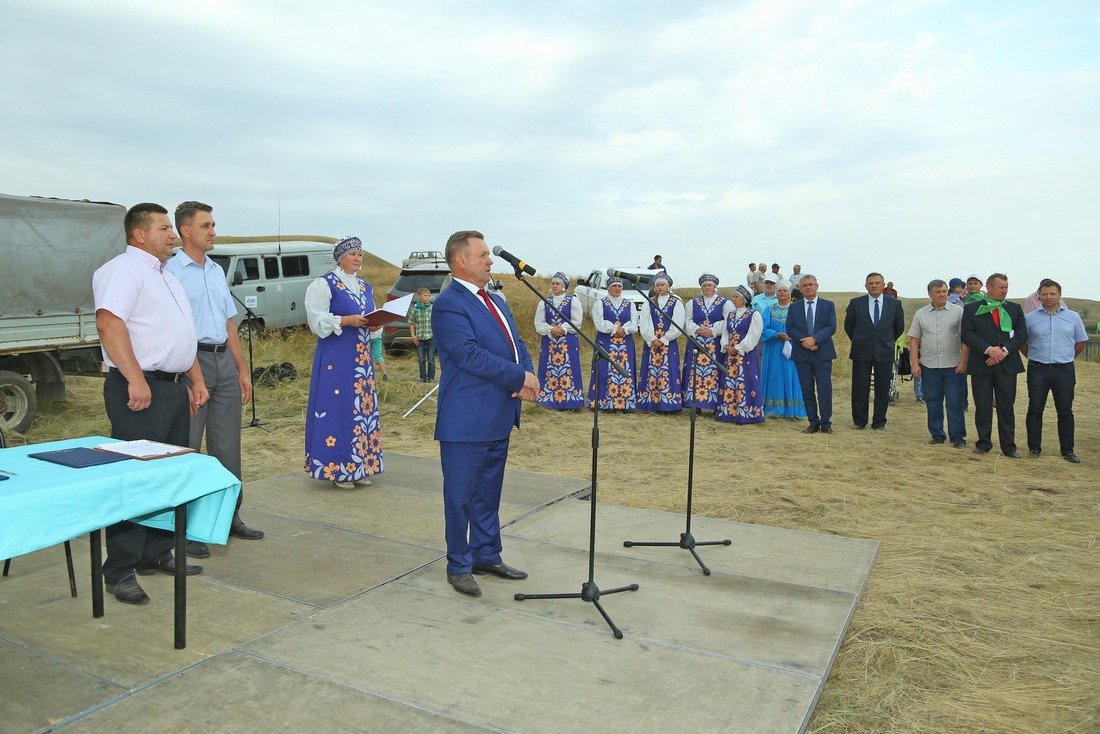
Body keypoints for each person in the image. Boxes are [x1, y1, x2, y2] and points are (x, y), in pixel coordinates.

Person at [92, 203, 207, 605]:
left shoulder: (166, 276)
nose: (172, 235)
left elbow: (181, 334)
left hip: (172, 388)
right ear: (140, 234)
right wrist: (136, 379)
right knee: (135, 478)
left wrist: (195, 381)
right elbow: (109, 323)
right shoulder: (122, 270)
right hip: (140, 388)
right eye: (164, 229)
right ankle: (120, 569)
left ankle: (156, 553)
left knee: (167, 475)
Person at [432, 230, 538, 597]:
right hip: (466, 419)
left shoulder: (496, 300)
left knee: (488, 493)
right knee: (460, 496)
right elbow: (468, 355)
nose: (490, 260)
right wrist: (518, 375)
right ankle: (458, 564)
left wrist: (527, 374)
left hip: (498, 414)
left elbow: (517, 343)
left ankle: (486, 554)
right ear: (461, 260)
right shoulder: (448, 304)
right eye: (483, 254)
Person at [165, 201, 263, 560]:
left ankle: (227, 516)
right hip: (192, 364)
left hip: (223, 362)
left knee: (227, 448)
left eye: (214, 224)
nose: (213, 231)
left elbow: (228, 323)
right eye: (206, 225)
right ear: (185, 231)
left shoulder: (215, 271)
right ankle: (188, 527)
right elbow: (177, 329)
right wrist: (192, 376)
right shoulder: (171, 271)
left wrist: (241, 369)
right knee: (189, 447)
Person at [304, 236, 383, 488]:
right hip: (336, 358)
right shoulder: (324, 284)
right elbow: (316, 321)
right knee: (338, 407)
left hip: (361, 359)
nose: (358, 259)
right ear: (340, 257)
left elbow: (369, 318)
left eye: (360, 254)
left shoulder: (364, 287)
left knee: (361, 409)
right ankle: (337, 468)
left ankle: (360, 466)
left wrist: (375, 325)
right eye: (353, 254)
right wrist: (345, 320)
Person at [961, 273, 1028, 457]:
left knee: (1006, 406)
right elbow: (967, 334)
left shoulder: (1014, 309)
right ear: (989, 287)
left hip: (1007, 365)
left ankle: (1009, 446)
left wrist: (1003, 351)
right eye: (1001, 288)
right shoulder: (972, 308)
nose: (1005, 291)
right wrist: (988, 350)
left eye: (1006, 288)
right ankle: (983, 443)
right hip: (981, 364)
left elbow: (1022, 335)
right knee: (982, 406)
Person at [1021, 279, 1087, 463]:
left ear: (1059, 295)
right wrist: (1034, 357)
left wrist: (1065, 358)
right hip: (1037, 370)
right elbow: (1022, 343)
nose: (1048, 297)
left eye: (1052, 294)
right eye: (1045, 294)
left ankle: (1068, 451)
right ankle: (1034, 448)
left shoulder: (1073, 317)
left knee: (1065, 411)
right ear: (1039, 296)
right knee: (1035, 409)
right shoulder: (1030, 318)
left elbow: (1080, 342)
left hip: (1064, 370)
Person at [908, 279, 968, 448]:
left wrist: (963, 362)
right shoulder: (921, 314)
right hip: (930, 366)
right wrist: (914, 364)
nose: (942, 294)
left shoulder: (959, 312)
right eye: (938, 292)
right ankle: (937, 434)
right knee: (933, 401)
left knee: (955, 402)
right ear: (930, 294)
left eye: (944, 291)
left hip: (953, 366)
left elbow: (966, 339)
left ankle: (957, 437)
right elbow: (914, 340)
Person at [843, 272, 905, 430]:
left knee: (882, 388)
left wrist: (886, 341)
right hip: (861, 351)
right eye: (870, 283)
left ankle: (879, 422)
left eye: (877, 283)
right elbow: (849, 326)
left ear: (883, 285)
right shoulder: (856, 303)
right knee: (860, 388)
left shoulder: (894, 304)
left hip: (884, 351)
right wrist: (859, 339)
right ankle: (859, 421)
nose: (874, 286)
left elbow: (898, 327)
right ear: (866, 286)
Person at [785, 274, 837, 433]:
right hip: (802, 354)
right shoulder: (794, 307)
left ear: (816, 286)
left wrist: (815, 339)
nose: (808, 287)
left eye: (810, 284)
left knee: (824, 389)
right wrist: (805, 342)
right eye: (804, 285)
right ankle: (813, 422)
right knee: (807, 389)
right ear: (800, 289)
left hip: (822, 353)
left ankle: (826, 423)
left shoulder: (828, 305)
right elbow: (790, 328)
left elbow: (831, 327)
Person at [534, 271, 585, 410]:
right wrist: (551, 330)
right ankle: (549, 401)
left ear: (564, 286)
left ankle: (570, 402)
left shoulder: (572, 301)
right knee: (549, 369)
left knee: (569, 368)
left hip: (568, 342)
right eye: (553, 283)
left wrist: (562, 328)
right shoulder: (544, 302)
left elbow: (577, 322)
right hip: (549, 343)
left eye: (558, 283)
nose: (555, 285)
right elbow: (538, 323)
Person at [637, 271, 685, 412]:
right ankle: (651, 403)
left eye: (662, 284)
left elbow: (678, 324)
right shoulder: (649, 301)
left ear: (668, 286)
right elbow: (644, 322)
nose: (660, 287)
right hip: (652, 344)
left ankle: (669, 404)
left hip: (668, 343)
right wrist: (651, 338)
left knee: (669, 370)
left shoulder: (676, 302)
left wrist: (664, 339)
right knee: (651, 371)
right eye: (657, 285)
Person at [716, 285, 764, 424]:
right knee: (730, 381)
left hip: (745, 355)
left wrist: (739, 347)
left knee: (746, 381)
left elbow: (753, 335)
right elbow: (726, 332)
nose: (734, 299)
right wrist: (725, 345)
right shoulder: (730, 315)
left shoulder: (754, 315)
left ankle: (747, 414)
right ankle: (729, 413)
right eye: (734, 296)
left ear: (744, 299)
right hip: (730, 356)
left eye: (737, 297)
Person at [588, 277, 638, 411]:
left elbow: (634, 323)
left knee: (625, 369)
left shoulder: (630, 304)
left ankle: (625, 403)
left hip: (625, 342)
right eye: (614, 286)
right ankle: (604, 402)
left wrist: (624, 330)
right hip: (606, 341)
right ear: (608, 288)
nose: (617, 289)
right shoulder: (600, 303)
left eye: (619, 286)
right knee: (605, 368)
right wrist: (615, 329)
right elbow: (598, 322)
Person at [681, 273, 728, 412]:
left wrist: (713, 330)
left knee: (714, 372)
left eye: (710, 285)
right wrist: (697, 329)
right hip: (697, 342)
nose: (707, 288)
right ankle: (695, 404)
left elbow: (728, 321)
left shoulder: (725, 303)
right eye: (705, 286)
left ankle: (714, 405)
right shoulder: (693, 303)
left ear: (715, 287)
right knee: (695, 371)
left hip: (715, 343)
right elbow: (688, 320)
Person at [759, 282, 806, 419]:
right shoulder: (769, 309)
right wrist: (776, 335)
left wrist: (794, 336)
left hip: (794, 347)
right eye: (780, 291)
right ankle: (774, 408)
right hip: (774, 348)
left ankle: (792, 408)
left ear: (789, 293)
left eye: (785, 290)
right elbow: (763, 328)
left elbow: (804, 327)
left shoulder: (797, 309)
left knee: (792, 374)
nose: (782, 293)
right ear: (776, 293)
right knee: (775, 374)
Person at [408, 287, 436, 383]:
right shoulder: (415, 309)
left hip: (430, 336)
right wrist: (413, 335)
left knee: (431, 358)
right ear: (419, 296)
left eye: (428, 295)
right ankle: (423, 377)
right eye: (425, 295)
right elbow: (411, 323)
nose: (427, 297)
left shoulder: (432, 308)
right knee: (421, 359)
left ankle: (431, 377)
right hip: (420, 337)